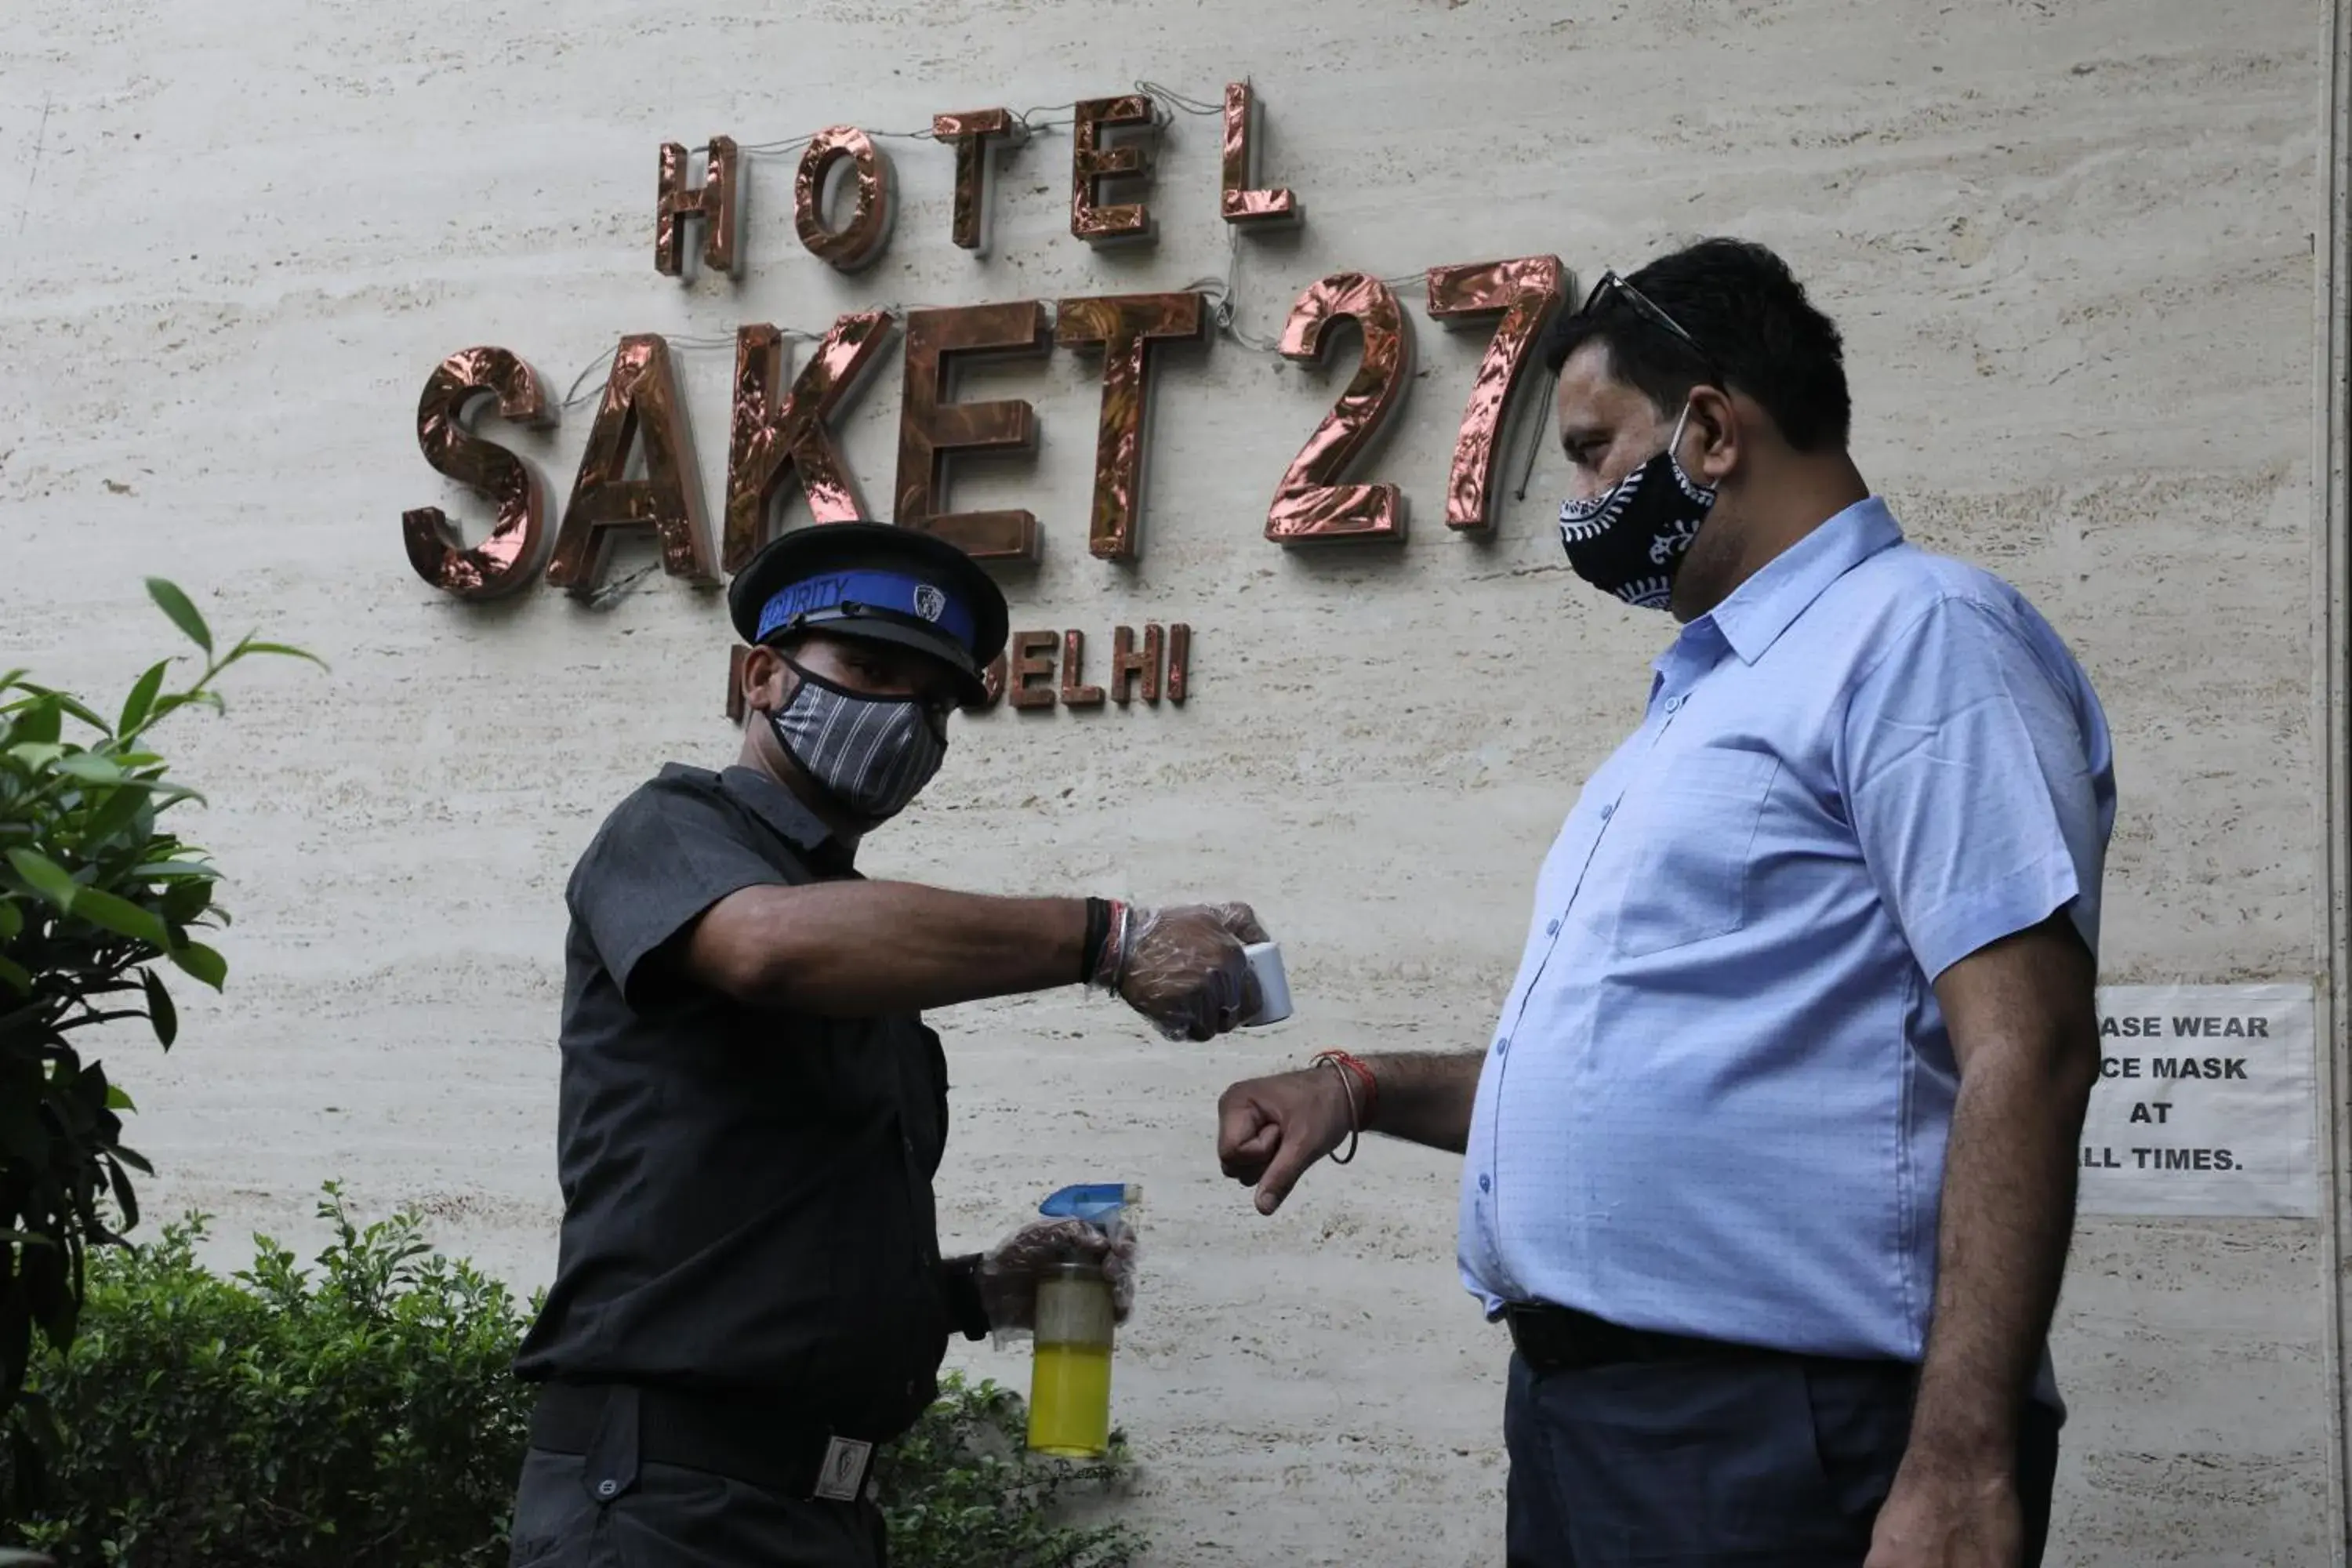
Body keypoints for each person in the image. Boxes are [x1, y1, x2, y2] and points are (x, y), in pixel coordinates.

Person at [1215, 239, 2113, 1568]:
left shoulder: (1918, 636)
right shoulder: (1709, 699)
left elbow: (2028, 1044)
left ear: (1708, 428)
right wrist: (1363, 1085)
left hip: (1781, 1439)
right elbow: (1645, 1076)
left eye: (1588, 449)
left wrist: (1963, 1459)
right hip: (1598, 1425)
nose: (1573, 499)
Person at [508, 521, 1267, 1568]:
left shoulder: (866, 940)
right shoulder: (672, 828)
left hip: (825, 1518)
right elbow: (765, 947)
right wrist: (1109, 938)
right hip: (661, 1510)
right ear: (762, 677)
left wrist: (971, 1291)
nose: (902, 718)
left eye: (935, 701)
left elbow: (768, 1231)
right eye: (867, 669)